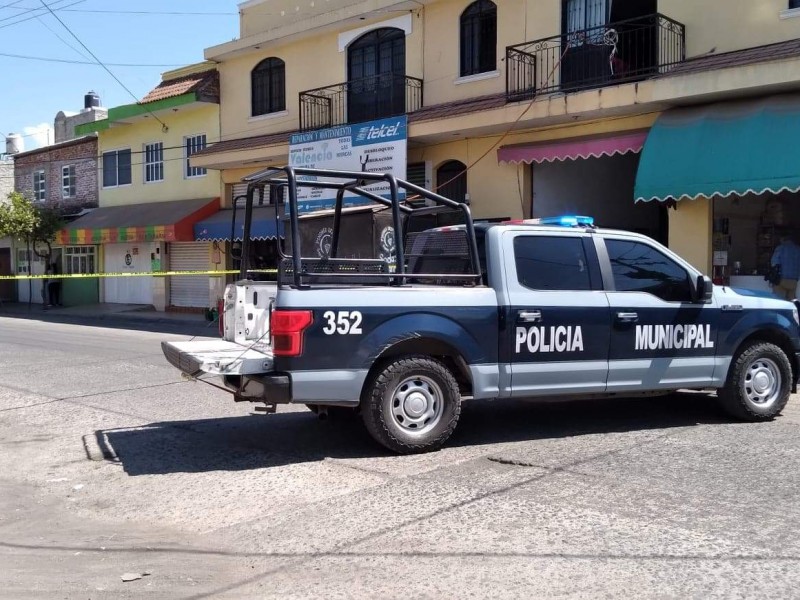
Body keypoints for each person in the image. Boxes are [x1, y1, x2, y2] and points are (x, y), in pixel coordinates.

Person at [770, 234, 800, 300]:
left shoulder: (780, 248)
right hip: (794, 281)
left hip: (781, 279)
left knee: (779, 302)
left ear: (783, 239)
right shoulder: (798, 249)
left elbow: (774, 263)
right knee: (791, 303)